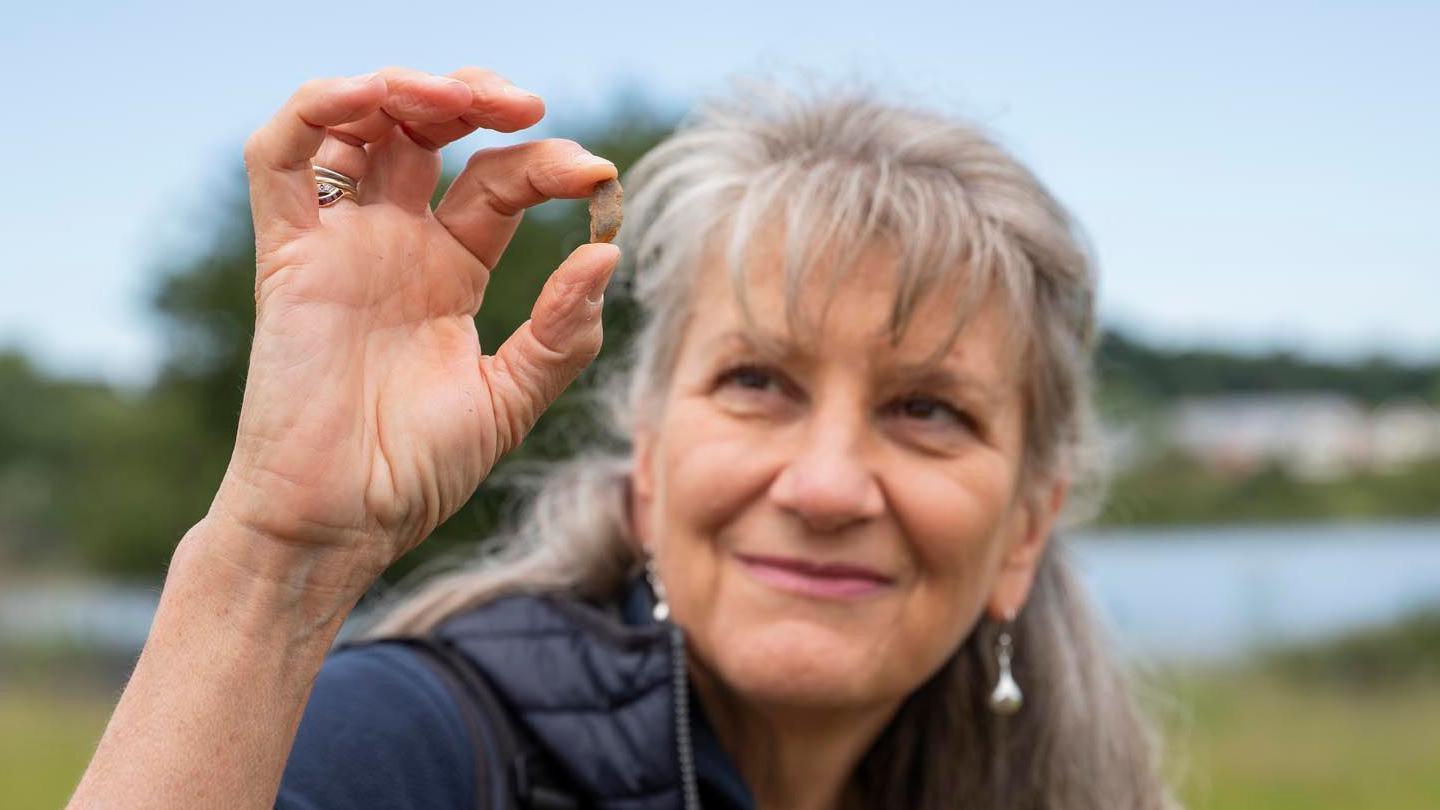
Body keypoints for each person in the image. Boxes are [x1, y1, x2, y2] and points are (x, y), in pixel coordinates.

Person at [67, 65, 1177, 810]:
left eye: (927, 410)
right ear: (647, 464)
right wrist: (279, 563)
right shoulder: (425, 746)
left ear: (1027, 529)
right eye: (756, 381)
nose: (829, 485)